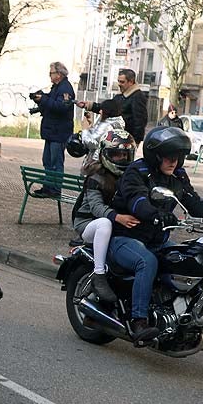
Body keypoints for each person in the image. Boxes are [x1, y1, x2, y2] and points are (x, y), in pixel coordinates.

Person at [109, 126, 203, 344]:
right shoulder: (136, 172)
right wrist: (156, 214)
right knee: (146, 262)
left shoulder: (177, 175)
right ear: (154, 155)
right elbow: (137, 201)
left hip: (158, 240)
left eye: (178, 156)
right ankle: (139, 321)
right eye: (168, 156)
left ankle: (181, 315)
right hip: (125, 238)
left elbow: (194, 202)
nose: (173, 161)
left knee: (190, 259)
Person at [70, 129, 138, 303]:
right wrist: (118, 217)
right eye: (116, 155)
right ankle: (99, 275)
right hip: (88, 224)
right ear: (105, 154)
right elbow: (96, 208)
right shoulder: (95, 176)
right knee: (104, 224)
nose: (121, 159)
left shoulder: (131, 176)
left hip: (113, 223)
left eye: (125, 155)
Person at [31, 62, 76, 197]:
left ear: (59, 74)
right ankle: (48, 187)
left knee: (56, 162)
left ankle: (55, 189)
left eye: (51, 73)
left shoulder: (65, 89)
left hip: (59, 133)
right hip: (52, 132)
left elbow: (60, 107)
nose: (49, 75)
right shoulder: (57, 87)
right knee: (47, 161)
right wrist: (40, 98)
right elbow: (51, 102)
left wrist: (44, 99)